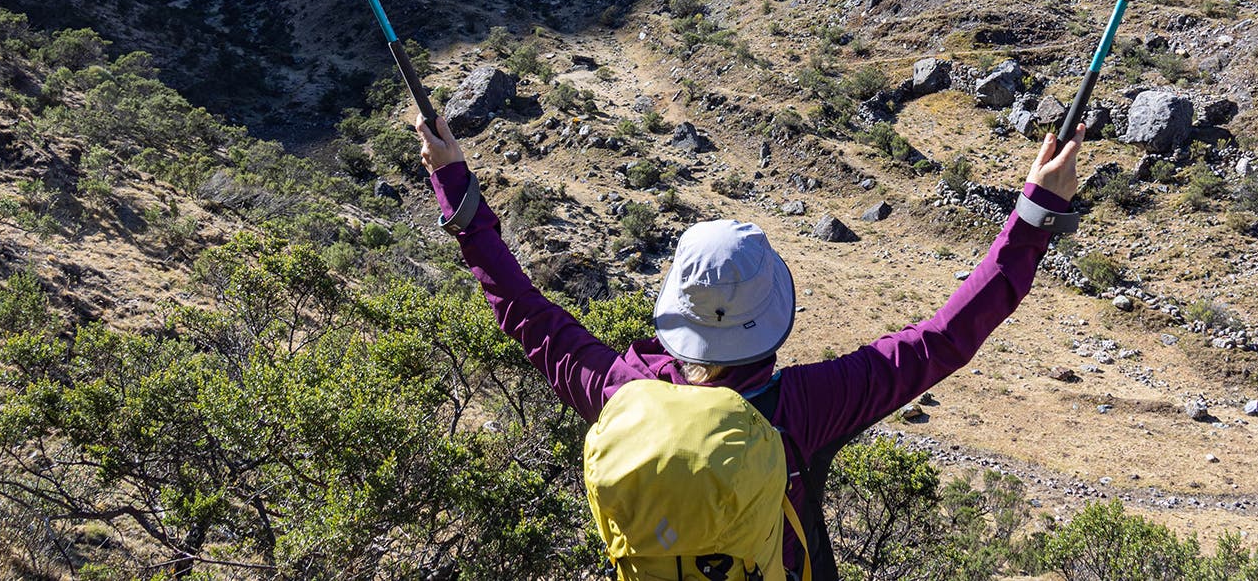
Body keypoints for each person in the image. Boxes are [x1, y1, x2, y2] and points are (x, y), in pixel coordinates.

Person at [418, 112, 1083, 580]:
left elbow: (523, 312)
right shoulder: (804, 409)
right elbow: (941, 340)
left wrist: (458, 189)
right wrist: (1032, 219)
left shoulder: (619, 390)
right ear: (771, 318)